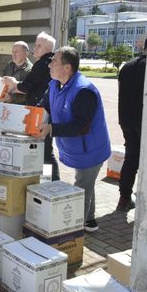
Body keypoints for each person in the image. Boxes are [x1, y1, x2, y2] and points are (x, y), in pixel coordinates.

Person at [36, 47, 111, 232]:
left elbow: (81, 126)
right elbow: (44, 106)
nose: (50, 65)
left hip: (91, 150)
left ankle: (74, 235)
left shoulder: (83, 91)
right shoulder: (54, 84)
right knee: (85, 183)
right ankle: (90, 221)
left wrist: (52, 129)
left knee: (81, 188)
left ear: (67, 68)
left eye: (54, 61)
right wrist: (29, 118)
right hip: (76, 147)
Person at [2, 32, 60, 181]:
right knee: (44, 149)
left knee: (45, 150)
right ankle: (48, 180)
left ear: (48, 48)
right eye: (36, 44)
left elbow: (27, 86)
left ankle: (53, 182)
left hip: (40, 112)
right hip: (43, 110)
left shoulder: (42, 64)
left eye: (39, 45)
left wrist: (14, 84)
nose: (36, 48)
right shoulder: (47, 63)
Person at [116, 37, 147, 212]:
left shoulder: (127, 66)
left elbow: (121, 92)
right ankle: (142, 199)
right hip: (143, 121)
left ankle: (124, 197)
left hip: (126, 120)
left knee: (131, 159)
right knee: (146, 162)